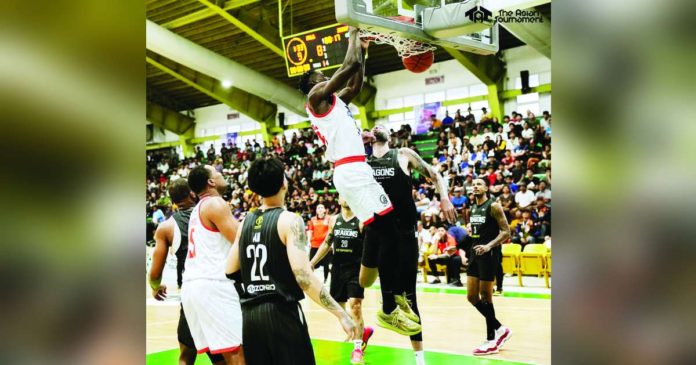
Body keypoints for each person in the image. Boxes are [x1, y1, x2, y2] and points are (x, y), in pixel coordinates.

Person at [298, 27, 420, 336]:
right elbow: (348, 66)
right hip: (352, 172)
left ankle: (393, 301)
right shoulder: (316, 98)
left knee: (386, 233)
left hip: (355, 172)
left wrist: (364, 48)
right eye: (322, 74)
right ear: (314, 85)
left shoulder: (335, 104)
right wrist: (354, 34)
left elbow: (356, 79)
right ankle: (391, 307)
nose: (327, 75)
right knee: (390, 233)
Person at [225, 158, 358, 365]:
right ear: (283, 184)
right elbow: (304, 278)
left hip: (251, 318)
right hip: (282, 314)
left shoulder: (245, 223)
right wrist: (340, 314)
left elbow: (230, 269)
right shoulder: (290, 221)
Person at [366, 125, 457, 365]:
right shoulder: (362, 161)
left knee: (408, 297)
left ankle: (419, 358)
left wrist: (445, 197)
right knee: (359, 285)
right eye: (373, 126)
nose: (377, 127)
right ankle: (360, 337)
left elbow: (435, 175)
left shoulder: (403, 154)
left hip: (404, 234)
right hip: (375, 232)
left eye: (381, 126)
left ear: (390, 135)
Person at [148, 179, 225, 365]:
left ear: (173, 202)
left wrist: (156, 287)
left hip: (190, 295)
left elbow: (155, 273)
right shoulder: (213, 212)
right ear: (192, 193)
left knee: (186, 357)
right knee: (225, 357)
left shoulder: (166, 227)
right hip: (216, 292)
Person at [182, 165, 245, 364]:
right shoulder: (215, 204)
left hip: (193, 286)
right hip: (213, 285)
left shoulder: (197, 210)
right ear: (211, 182)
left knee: (220, 358)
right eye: (218, 173)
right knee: (236, 352)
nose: (222, 175)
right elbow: (240, 241)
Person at [310, 196, 373, 364]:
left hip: (355, 270)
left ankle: (357, 348)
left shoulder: (361, 220)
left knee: (356, 306)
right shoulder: (334, 220)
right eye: (343, 194)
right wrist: (312, 263)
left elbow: (370, 247)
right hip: (337, 269)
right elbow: (326, 243)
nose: (346, 197)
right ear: (339, 199)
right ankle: (363, 332)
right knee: (340, 310)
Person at [458, 178, 512, 355]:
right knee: (472, 296)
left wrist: (489, 246)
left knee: (486, 297)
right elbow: (477, 233)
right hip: (475, 254)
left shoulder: (494, 206)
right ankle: (500, 329)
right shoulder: (472, 208)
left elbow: (506, 232)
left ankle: (491, 340)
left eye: (479, 184)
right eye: (473, 184)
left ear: (486, 188)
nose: (475, 186)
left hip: (489, 254)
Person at [307, 204, 332, 282]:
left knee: (326, 265)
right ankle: (310, 280)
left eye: (322, 207)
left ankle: (325, 280)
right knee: (311, 263)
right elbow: (310, 231)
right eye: (318, 208)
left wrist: (332, 243)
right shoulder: (312, 219)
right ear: (316, 210)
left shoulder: (329, 219)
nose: (320, 209)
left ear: (325, 210)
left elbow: (331, 231)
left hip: (325, 245)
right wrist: (308, 241)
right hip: (314, 245)